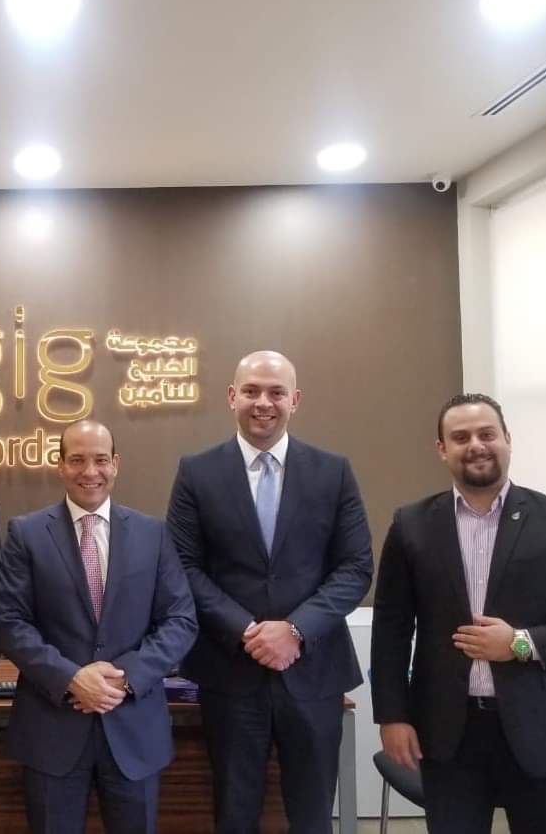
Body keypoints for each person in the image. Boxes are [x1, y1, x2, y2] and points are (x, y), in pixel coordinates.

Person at [371, 393, 546, 833]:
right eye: (460, 437)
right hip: (448, 735)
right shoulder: (411, 525)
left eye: (487, 434)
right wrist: (392, 715)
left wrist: (522, 643)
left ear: (507, 439)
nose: (476, 445)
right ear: (442, 448)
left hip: (544, 727)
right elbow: (391, 628)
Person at [166, 350, 373, 833]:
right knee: (235, 814)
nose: (264, 402)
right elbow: (182, 566)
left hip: (314, 671)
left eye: (276, 392)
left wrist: (295, 630)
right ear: (231, 396)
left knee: (312, 815)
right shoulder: (197, 472)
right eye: (252, 391)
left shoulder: (333, 471)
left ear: (295, 400)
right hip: (229, 673)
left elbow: (356, 567)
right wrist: (247, 630)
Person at [0, 419, 197, 833]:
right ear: (60, 465)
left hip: (134, 729)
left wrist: (125, 677)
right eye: (77, 460)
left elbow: (180, 620)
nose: (90, 471)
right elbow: (8, 620)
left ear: (116, 463)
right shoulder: (27, 533)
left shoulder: (152, 534)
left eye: (101, 460)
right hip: (52, 731)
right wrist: (71, 678)